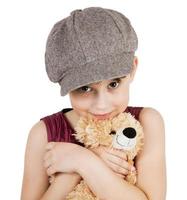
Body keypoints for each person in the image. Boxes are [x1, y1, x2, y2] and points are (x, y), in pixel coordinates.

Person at [21, 7, 166, 200]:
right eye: (85, 88)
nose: (102, 105)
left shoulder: (147, 122)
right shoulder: (43, 134)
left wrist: (83, 160)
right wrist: (71, 175)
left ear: (133, 69)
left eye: (114, 84)